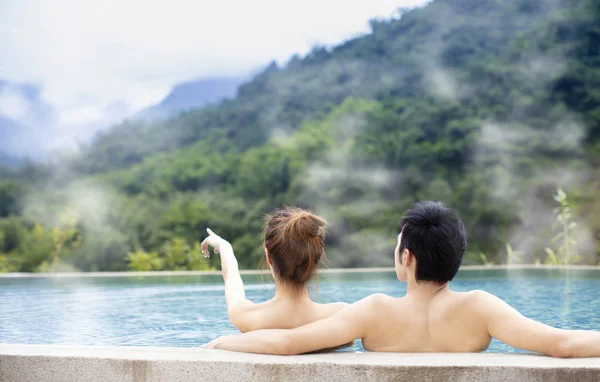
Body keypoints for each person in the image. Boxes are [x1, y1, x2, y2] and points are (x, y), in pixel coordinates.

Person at [204, 201, 600, 357]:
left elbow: (288, 342)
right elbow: (562, 343)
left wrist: (225, 342)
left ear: (405, 258)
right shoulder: (481, 308)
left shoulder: (373, 311)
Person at [201, 207, 347, 333]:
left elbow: (233, 288)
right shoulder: (341, 315)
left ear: (269, 258)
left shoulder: (250, 318)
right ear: (315, 260)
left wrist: (225, 247)